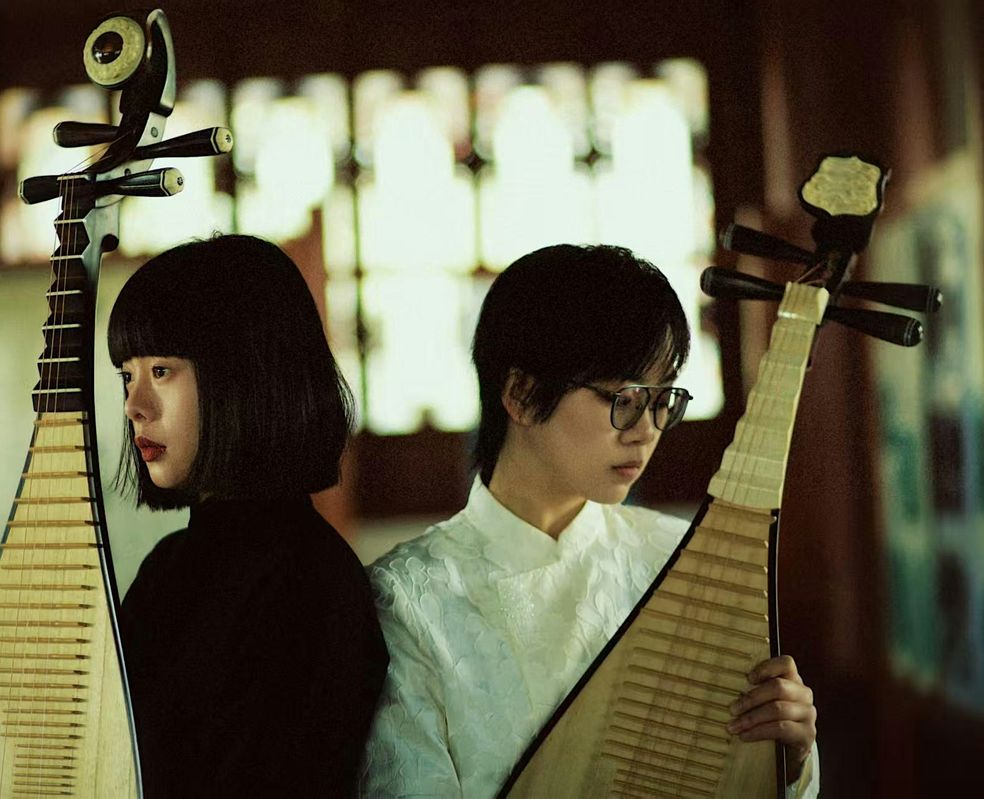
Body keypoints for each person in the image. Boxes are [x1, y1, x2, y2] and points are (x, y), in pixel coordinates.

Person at [359, 244, 819, 797]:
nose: (646, 430)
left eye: (663, 399)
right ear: (522, 395)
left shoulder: (682, 558)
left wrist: (788, 759)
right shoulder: (406, 599)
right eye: (624, 398)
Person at [110, 234, 388, 797]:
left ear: (242, 374)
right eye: (127, 376)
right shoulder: (167, 567)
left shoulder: (310, 580)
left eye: (161, 371)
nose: (134, 406)